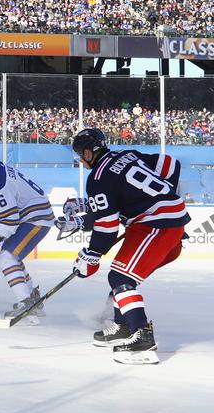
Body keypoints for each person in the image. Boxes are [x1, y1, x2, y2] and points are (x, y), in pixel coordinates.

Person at [58, 128, 189, 364]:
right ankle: (124, 326)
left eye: (80, 154)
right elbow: (171, 165)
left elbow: (107, 227)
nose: (80, 160)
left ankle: (142, 336)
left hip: (157, 225)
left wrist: (91, 254)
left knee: (120, 278)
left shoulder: (97, 178)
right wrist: (163, 198)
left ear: (88, 152)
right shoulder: (125, 154)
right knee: (121, 275)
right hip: (162, 221)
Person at [0, 144, 54, 322]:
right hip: (36, 214)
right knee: (10, 256)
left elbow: (10, 221)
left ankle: (25, 303)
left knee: (5, 257)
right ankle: (32, 298)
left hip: (35, 218)